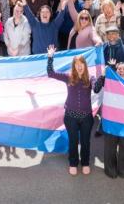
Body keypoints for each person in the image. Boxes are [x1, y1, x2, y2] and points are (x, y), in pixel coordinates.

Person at [47, 47, 100, 175]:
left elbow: (97, 89)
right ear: (74, 66)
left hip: (86, 116)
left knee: (86, 141)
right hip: (70, 116)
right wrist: (50, 57)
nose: (79, 66)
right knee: (73, 140)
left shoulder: (90, 78)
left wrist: (102, 77)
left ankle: (85, 162)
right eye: (77, 64)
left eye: (81, 64)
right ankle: (73, 163)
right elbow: (51, 73)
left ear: (84, 65)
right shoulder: (68, 76)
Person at [93, 61, 124, 179]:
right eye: (119, 69)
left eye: (123, 69)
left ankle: (123, 170)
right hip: (111, 121)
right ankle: (110, 170)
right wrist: (103, 75)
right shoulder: (110, 82)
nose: (121, 71)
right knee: (110, 147)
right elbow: (96, 89)